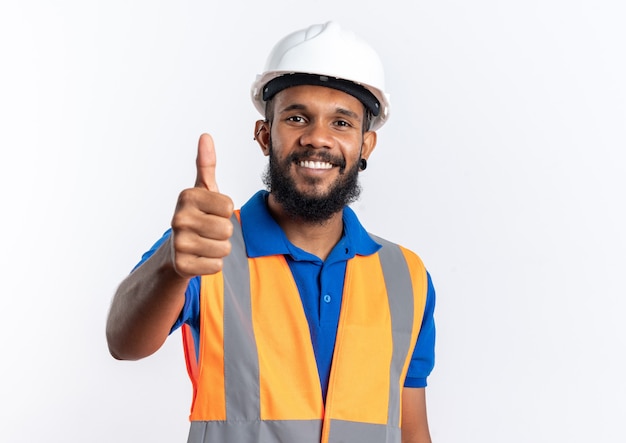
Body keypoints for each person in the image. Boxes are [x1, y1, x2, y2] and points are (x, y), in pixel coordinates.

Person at [106, 21, 436, 443]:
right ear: (265, 135)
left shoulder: (405, 276)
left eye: (341, 123)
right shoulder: (208, 245)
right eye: (297, 117)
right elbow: (123, 341)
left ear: (365, 146)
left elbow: (412, 429)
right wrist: (171, 265)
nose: (317, 138)